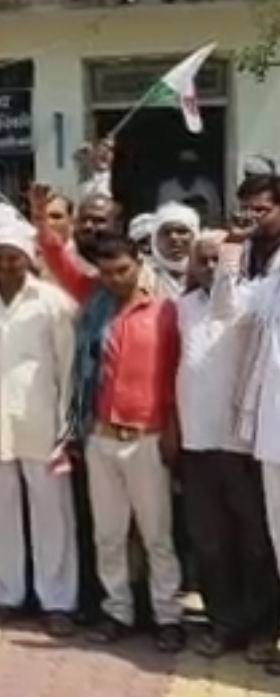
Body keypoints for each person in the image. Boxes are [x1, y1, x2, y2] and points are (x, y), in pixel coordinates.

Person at [36, 188, 185, 653]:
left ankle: (168, 616)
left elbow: (176, 375)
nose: (116, 279)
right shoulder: (95, 298)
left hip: (148, 437)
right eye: (107, 272)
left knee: (157, 535)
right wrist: (44, 220)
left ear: (139, 263)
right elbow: (58, 260)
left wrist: (172, 430)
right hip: (100, 437)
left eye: (123, 270)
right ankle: (116, 610)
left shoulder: (165, 310)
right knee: (108, 534)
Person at [0, 220, 78, 637]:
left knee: (52, 516)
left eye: (14, 257)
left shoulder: (53, 302)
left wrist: (68, 429)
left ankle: (57, 602)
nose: (8, 265)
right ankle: (3, 596)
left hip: (43, 424)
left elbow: (69, 369)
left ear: (29, 258)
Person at [178, 234, 278, 660]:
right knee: (210, 541)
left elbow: (226, 299)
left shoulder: (249, 303)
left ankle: (262, 627)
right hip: (195, 442)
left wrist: (231, 260)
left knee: (255, 542)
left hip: (240, 445)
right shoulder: (180, 307)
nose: (212, 266)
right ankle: (224, 623)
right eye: (204, 260)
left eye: (219, 259)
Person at [156, 149, 221, 220]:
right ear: (178, 167)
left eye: (190, 166)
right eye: (183, 165)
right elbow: (160, 214)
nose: (186, 169)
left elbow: (216, 213)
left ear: (196, 168)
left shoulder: (208, 187)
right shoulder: (166, 188)